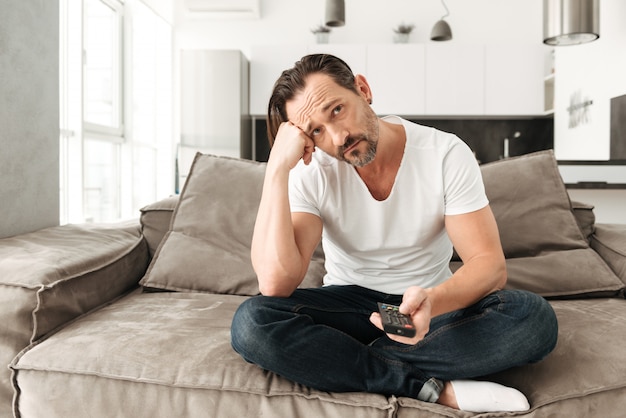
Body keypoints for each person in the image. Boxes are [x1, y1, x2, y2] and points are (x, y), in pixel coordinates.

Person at [231, 54, 558, 412]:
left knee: (532, 318)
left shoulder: (444, 153)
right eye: (316, 131)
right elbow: (276, 284)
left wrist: (432, 304)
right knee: (252, 322)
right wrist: (276, 169)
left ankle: (341, 360)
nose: (339, 137)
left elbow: (489, 266)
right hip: (352, 306)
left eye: (337, 110)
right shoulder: (312, 172)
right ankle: (424, 387)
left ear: (363, 89)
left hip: (429, 308)